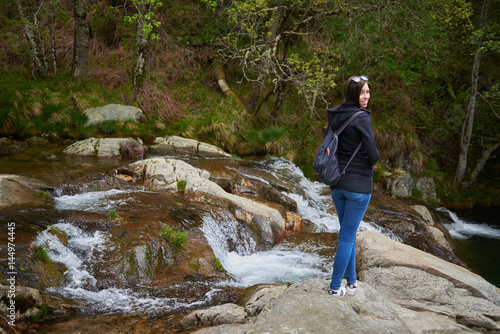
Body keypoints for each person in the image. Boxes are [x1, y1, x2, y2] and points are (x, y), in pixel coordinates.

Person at [326, 75, 379, 297]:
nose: (365, 96)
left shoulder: (336, 114)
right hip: (358, 187)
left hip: (337, 184)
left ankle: (352, 282)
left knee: (348, 233)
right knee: (347, 236)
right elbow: (374, 155)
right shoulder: (362, 118)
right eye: (361, 92)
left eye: (367, 92)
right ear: (353, 94)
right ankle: (336, 286)